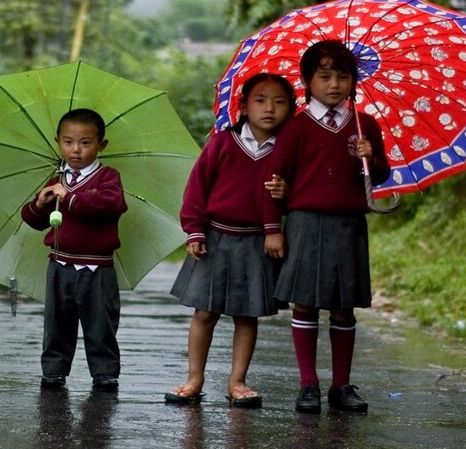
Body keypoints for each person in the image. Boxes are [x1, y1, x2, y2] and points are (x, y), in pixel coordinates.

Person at [262, 40, 390, 414]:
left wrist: (373, 159)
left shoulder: (365, 125)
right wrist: (273, 227)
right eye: (324, 76)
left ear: (354, 80)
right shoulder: (296, 127)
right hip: (304, 223)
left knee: (342, 306)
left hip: (349, 224)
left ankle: (341, 385)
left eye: (343, 76)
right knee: (304, 304)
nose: (334, 84)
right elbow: (274, 178)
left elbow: (380, 174)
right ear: (307, 82)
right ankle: (308, 385)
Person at [165, 73, 296, 408]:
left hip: (258, 242)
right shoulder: (223, 143)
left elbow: (300, 194)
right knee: (204, 313)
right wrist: (194, 229)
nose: (270, 109)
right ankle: (195, 378)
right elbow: (197, 188)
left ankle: (238, 381)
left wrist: (287, 194)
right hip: (214, 238)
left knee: (245, 315)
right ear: (243, 106)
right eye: (261, 100)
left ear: (291, 109)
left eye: (280, 102)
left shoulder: (288, 151)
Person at [21, 108, 128, 392]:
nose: (76, 150)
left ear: (101, 144)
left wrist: (70, 198)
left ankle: (104, 373)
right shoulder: (56, 180)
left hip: (97, 268)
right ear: (58, 141)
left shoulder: (108, 177)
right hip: (60, 264)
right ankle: (54, 371)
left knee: (100, 325)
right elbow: (34, 220)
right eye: (68, 142)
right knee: (57, 324)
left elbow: (109, 205)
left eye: (85, 142)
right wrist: (41, 204)